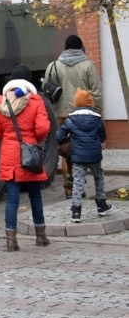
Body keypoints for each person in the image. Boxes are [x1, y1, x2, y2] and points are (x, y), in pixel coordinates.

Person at [0, 65, 51, 252]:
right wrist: (35, 139)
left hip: (9, 156)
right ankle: (41, 236)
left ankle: (11, 241)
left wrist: (7, 138)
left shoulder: (2, 102)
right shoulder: (35, 102)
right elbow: (43, 128)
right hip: (29, 156)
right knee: (35, 196)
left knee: (12, 200)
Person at [44, 34, 104, 199]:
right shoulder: (88, 66)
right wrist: (97, 114)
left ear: (65, 47)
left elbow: (47, 88)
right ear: (80, 47)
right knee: (84, 147)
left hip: (63, 113)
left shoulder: (54, 65)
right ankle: (81, 184)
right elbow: (97, 92)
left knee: (65, 149)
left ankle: (69, 189)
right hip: (85, 114)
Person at [57, 88, 112, 223]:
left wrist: (68, 142)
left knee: (78, 182)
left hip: (78, 157)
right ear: (90, 103)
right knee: (98, 177)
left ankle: (76, 212)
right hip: (94, 156)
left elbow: (59, 136)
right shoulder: (97, 119)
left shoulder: (70, 119)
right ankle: (101, 205)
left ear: (76, 103)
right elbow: (103, 137)